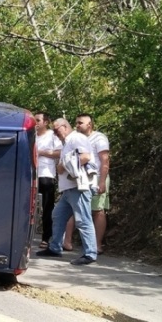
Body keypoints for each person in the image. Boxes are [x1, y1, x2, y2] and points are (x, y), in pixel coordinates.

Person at [36, 118, 98, 265]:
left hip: (79, 187)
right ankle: (55, 247)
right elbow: (64, 164)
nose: (56, 133)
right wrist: (62, 166)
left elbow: (86, 156)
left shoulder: (76, 138)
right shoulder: (66, 143)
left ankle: (90, 253)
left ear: (64, 127)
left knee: (83, 220)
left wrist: (65, 166)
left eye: (57, 130)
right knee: (57, 215)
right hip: (69, 189)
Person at [63, 114, 111, 253]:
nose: (77, 125)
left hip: (95, 177)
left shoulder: (99, 138)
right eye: (76, 123)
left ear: (89, 124)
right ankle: (67, 242)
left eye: (80, 123)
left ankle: (96, 245)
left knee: (97, 211)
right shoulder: (75, 138)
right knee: (73, 208)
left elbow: (104, 161)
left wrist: (102, 181)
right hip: (78, 178)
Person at [33, 112, 62, 249]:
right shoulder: (31, 136)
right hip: (31, 174)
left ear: (45, 122)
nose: (36, 123)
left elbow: (60, 152)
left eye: (38, 120)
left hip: (46, 174)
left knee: (47, 207)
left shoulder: (52, 135)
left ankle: (46, 237)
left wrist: (42, 152)